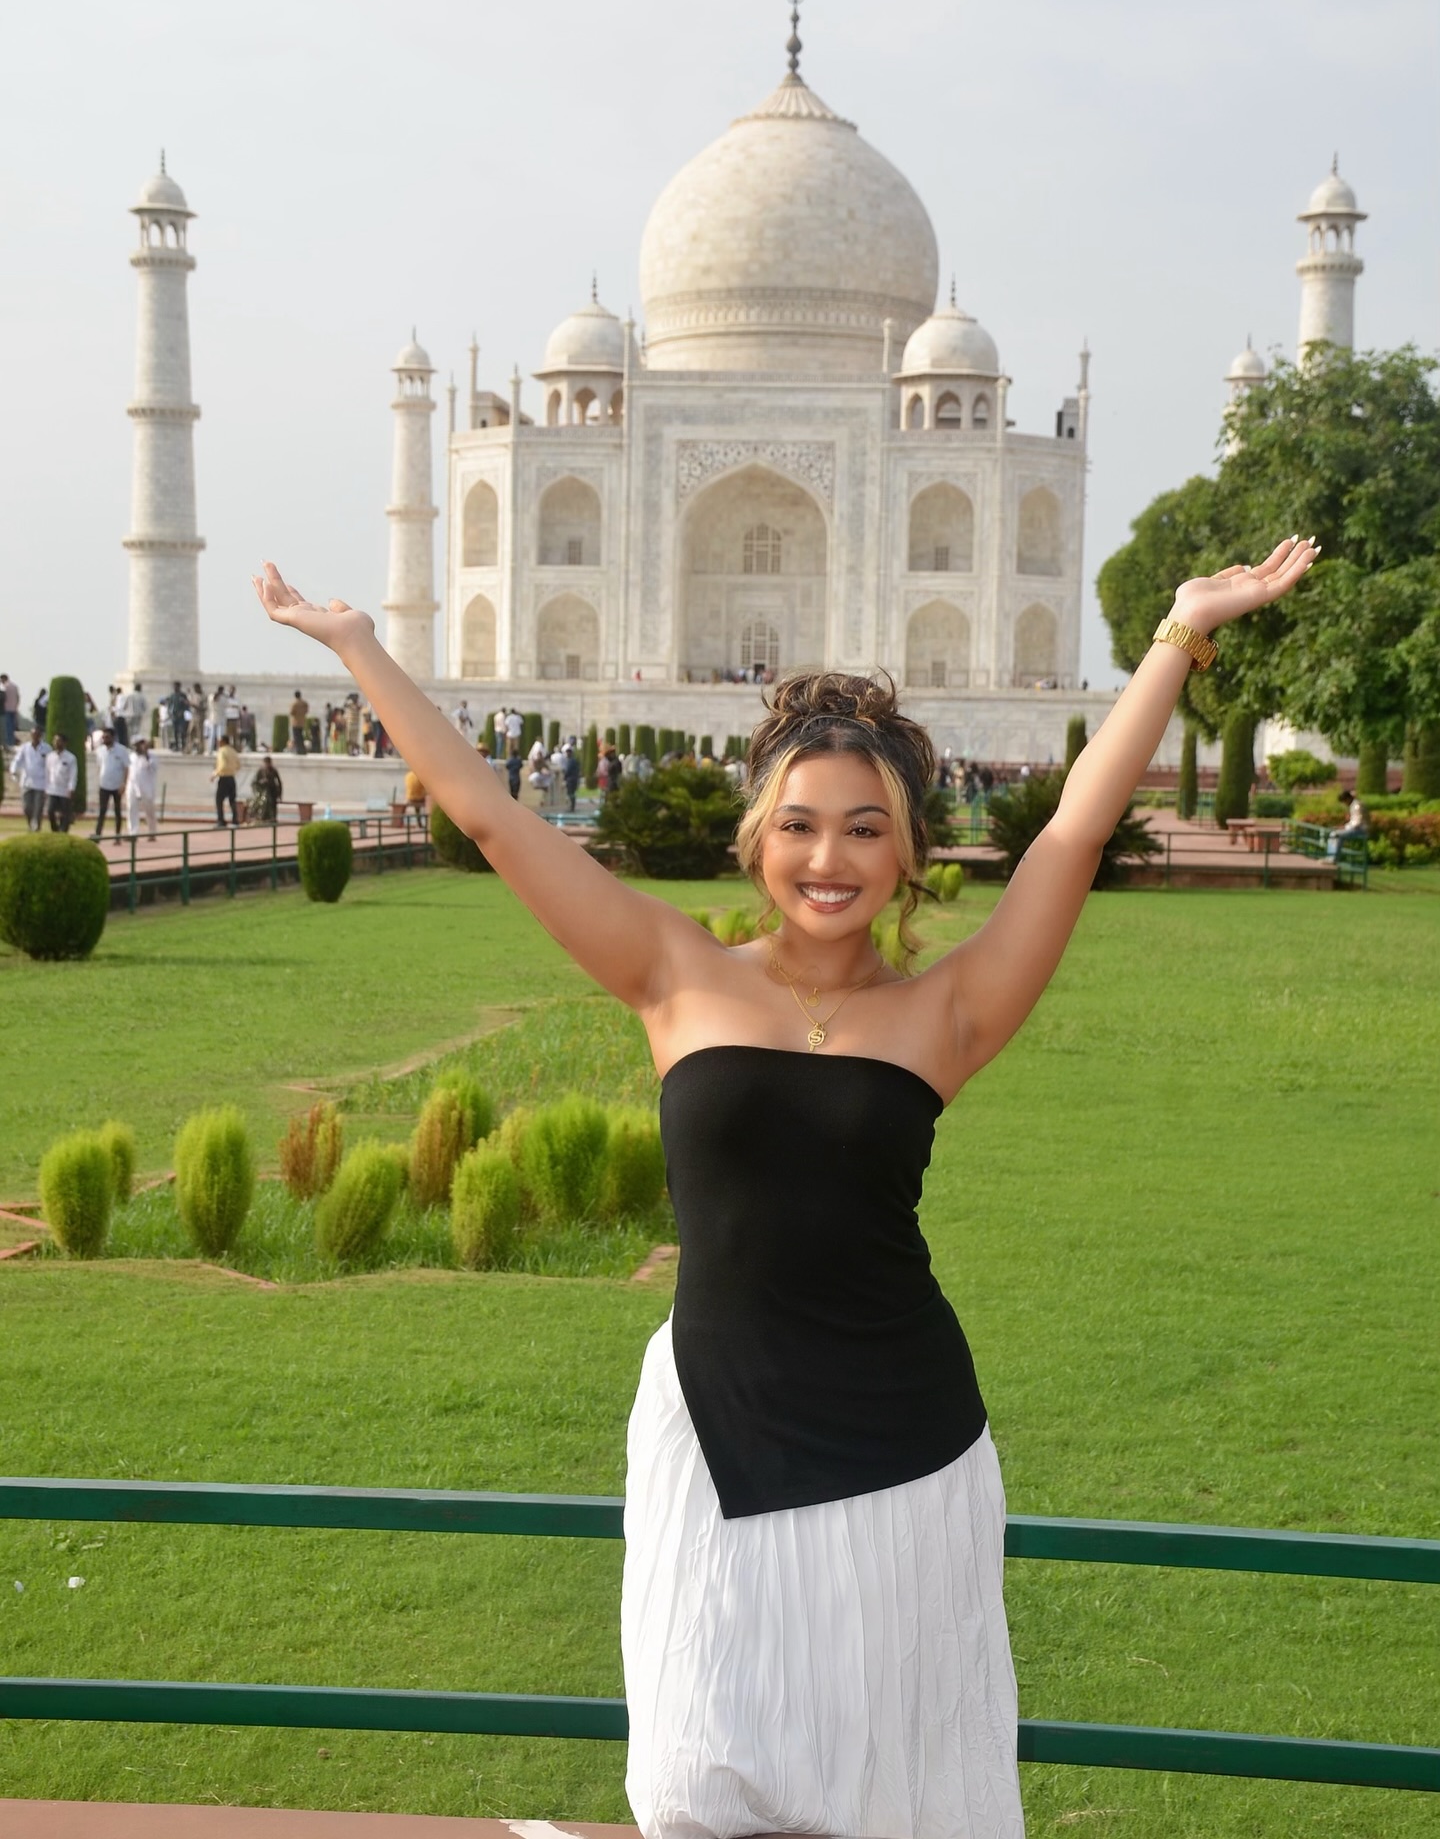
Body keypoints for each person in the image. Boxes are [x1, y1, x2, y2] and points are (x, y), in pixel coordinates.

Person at [254, 533, 1318, 1839]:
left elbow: (1077, 830)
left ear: (910, 849)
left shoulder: (949, 1013)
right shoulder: (675, 972)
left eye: (867, 829)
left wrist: (1177, 632)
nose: (832, 857)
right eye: (804, 825)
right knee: (704, 1776)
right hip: (718, 1428)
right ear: (761, 837)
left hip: (907, 1448)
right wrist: (362, 645)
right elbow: (489, 813)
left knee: (898, 1788)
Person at [92, 728, 131, 843]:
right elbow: (99, 766)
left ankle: (117, 836)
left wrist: (124, 784)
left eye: (107, 737)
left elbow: (126, 768)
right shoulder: (100, 751)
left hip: (117, 786)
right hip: (104, 785)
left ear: (113, 737)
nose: (105, 739)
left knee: (117, 811)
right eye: (104, 737)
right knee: (102, 811)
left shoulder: (122, 750)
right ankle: (98, 834)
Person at [10, 725, 50, 830]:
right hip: (27, 782)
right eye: (33, 735)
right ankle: (31, 825)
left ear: (40, 736)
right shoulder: (25, 747)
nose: (35, 737)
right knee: (27, 808)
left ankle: (36, 828)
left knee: (38, 808)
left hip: (41, 783)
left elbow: (50, 765)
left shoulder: (47, 748)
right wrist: (13, 770)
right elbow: (17, 760)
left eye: (37, 735)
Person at [127, 737, 160, 839]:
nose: (138, 747)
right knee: (132, 809)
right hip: (132, 786)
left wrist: (146, 755)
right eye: (136, 745)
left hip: (147, 787)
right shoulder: (131, 757)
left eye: (140, 744)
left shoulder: (152, 757)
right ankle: (133, 833)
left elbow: (154, 768)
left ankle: (152, 832)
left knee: (149, 810)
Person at [45, 731, 77, 833]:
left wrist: (71, 788)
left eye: (59, 741)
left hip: (65, 790)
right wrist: (45, 788)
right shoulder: (50, 756)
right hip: (52, 789)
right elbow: (47, 773)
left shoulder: (71, 758)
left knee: (65, 813)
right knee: (50, 811)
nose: (56, 743)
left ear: (64, 743)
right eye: (54, 741)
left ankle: (63, 832)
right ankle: (55, 830)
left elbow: (73, 774)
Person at [1327, 789, 1369, 861]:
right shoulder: (1354, 805)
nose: (1344, 804)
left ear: (1348, 799)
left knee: (1335, 834)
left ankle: (1332, 859)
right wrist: (1344, 827)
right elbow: (1353, 822)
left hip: (1361, 830)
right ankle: (1330, 857)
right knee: (1334, 833)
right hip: (1356, 828)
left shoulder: (1357, 806)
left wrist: (1345, 827)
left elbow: (1357, 823)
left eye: (1344, 802)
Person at [211, 736, 241, 826]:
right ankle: (235, 820)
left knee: (219, 800)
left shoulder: (222, 751)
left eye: (219, 741)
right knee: (232, 800)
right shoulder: (233, 751)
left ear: (223, 741)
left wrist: (214, 774)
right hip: (231, 778)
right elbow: (238, 765)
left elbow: (222, 765)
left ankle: (221, 820)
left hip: (223, 778)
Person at [248, 753, 283, 824]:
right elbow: (254, 782)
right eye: (266, 763)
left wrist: (280, 793)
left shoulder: (273, 770)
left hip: (272, 790)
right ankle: (263, 817)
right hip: (263, 791)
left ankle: (272, 818)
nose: (268, 764)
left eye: (269, 763)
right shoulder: (260, 770)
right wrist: (261, 782)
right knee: (265, 801)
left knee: (273, 804)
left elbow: (279, 782)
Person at [0, 673, 18, 747]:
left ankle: (9, 742)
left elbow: (3, 698)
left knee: (7, 727)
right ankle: (12, 741)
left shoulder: (4, 686)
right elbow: (18, 697)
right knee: (12, 727)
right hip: (13, 708)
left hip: (6, 708)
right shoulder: (14, 686)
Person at [289, 689, 309, 754]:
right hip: (302, 722)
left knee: (297, 737)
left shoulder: (294, 704)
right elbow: (306, 711)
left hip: (295, 722)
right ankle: (303, 750)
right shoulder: (304, 703)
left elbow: (291, 712)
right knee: (301, 736)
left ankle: (299, 750)